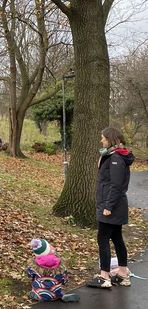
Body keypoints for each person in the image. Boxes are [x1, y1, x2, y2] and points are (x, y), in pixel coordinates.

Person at [87, 127, 135, 288]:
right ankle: (122, 274)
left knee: (102, 238)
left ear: (110, 139)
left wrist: (108, 206)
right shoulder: (113, 155)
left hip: (111, 206)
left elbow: (116, 185)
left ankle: (104, 277)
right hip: (114, 205)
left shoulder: (116, 158)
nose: (101, 140)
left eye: (103, 138)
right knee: (116, 238)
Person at [27, 238, 80, 302]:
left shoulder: (34, 265)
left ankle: (37, 295)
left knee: (37, 286)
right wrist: (64, 281)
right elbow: (64, 279)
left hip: (40, 290)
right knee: (58, 287)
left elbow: (30, 275)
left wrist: (32, 278)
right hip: (55, 292)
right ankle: (62, 295)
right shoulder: (59, 263)